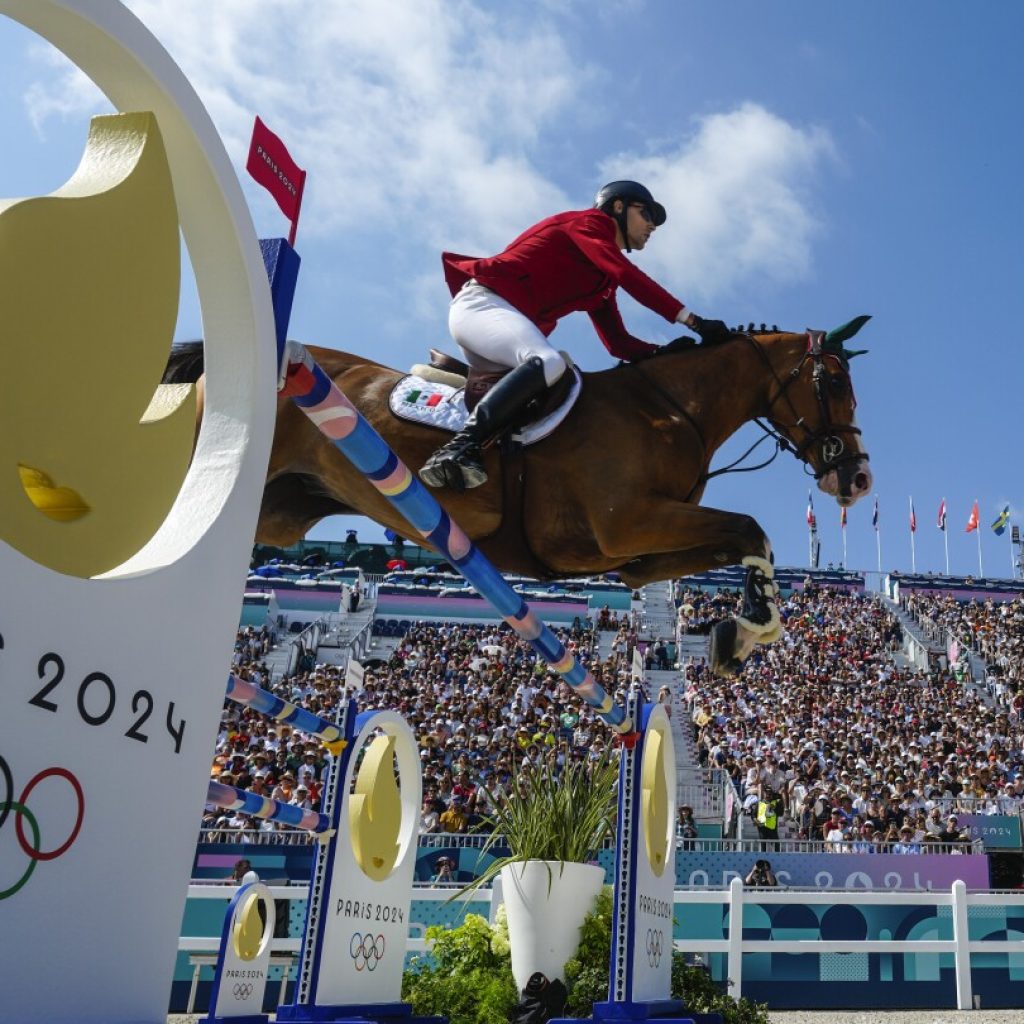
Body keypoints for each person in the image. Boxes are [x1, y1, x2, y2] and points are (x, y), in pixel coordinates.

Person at [419, 180, 729, 490]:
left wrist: (664, 352)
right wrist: (692, 321)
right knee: (549, 361)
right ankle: (458, 448)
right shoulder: (588, 224)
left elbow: (617, 343)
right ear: (618, 207)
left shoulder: (603, 280)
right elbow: (628, 275)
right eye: (646, 214)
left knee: (555, 388)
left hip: (502, 326)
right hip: (482, 306)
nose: (652, 226)